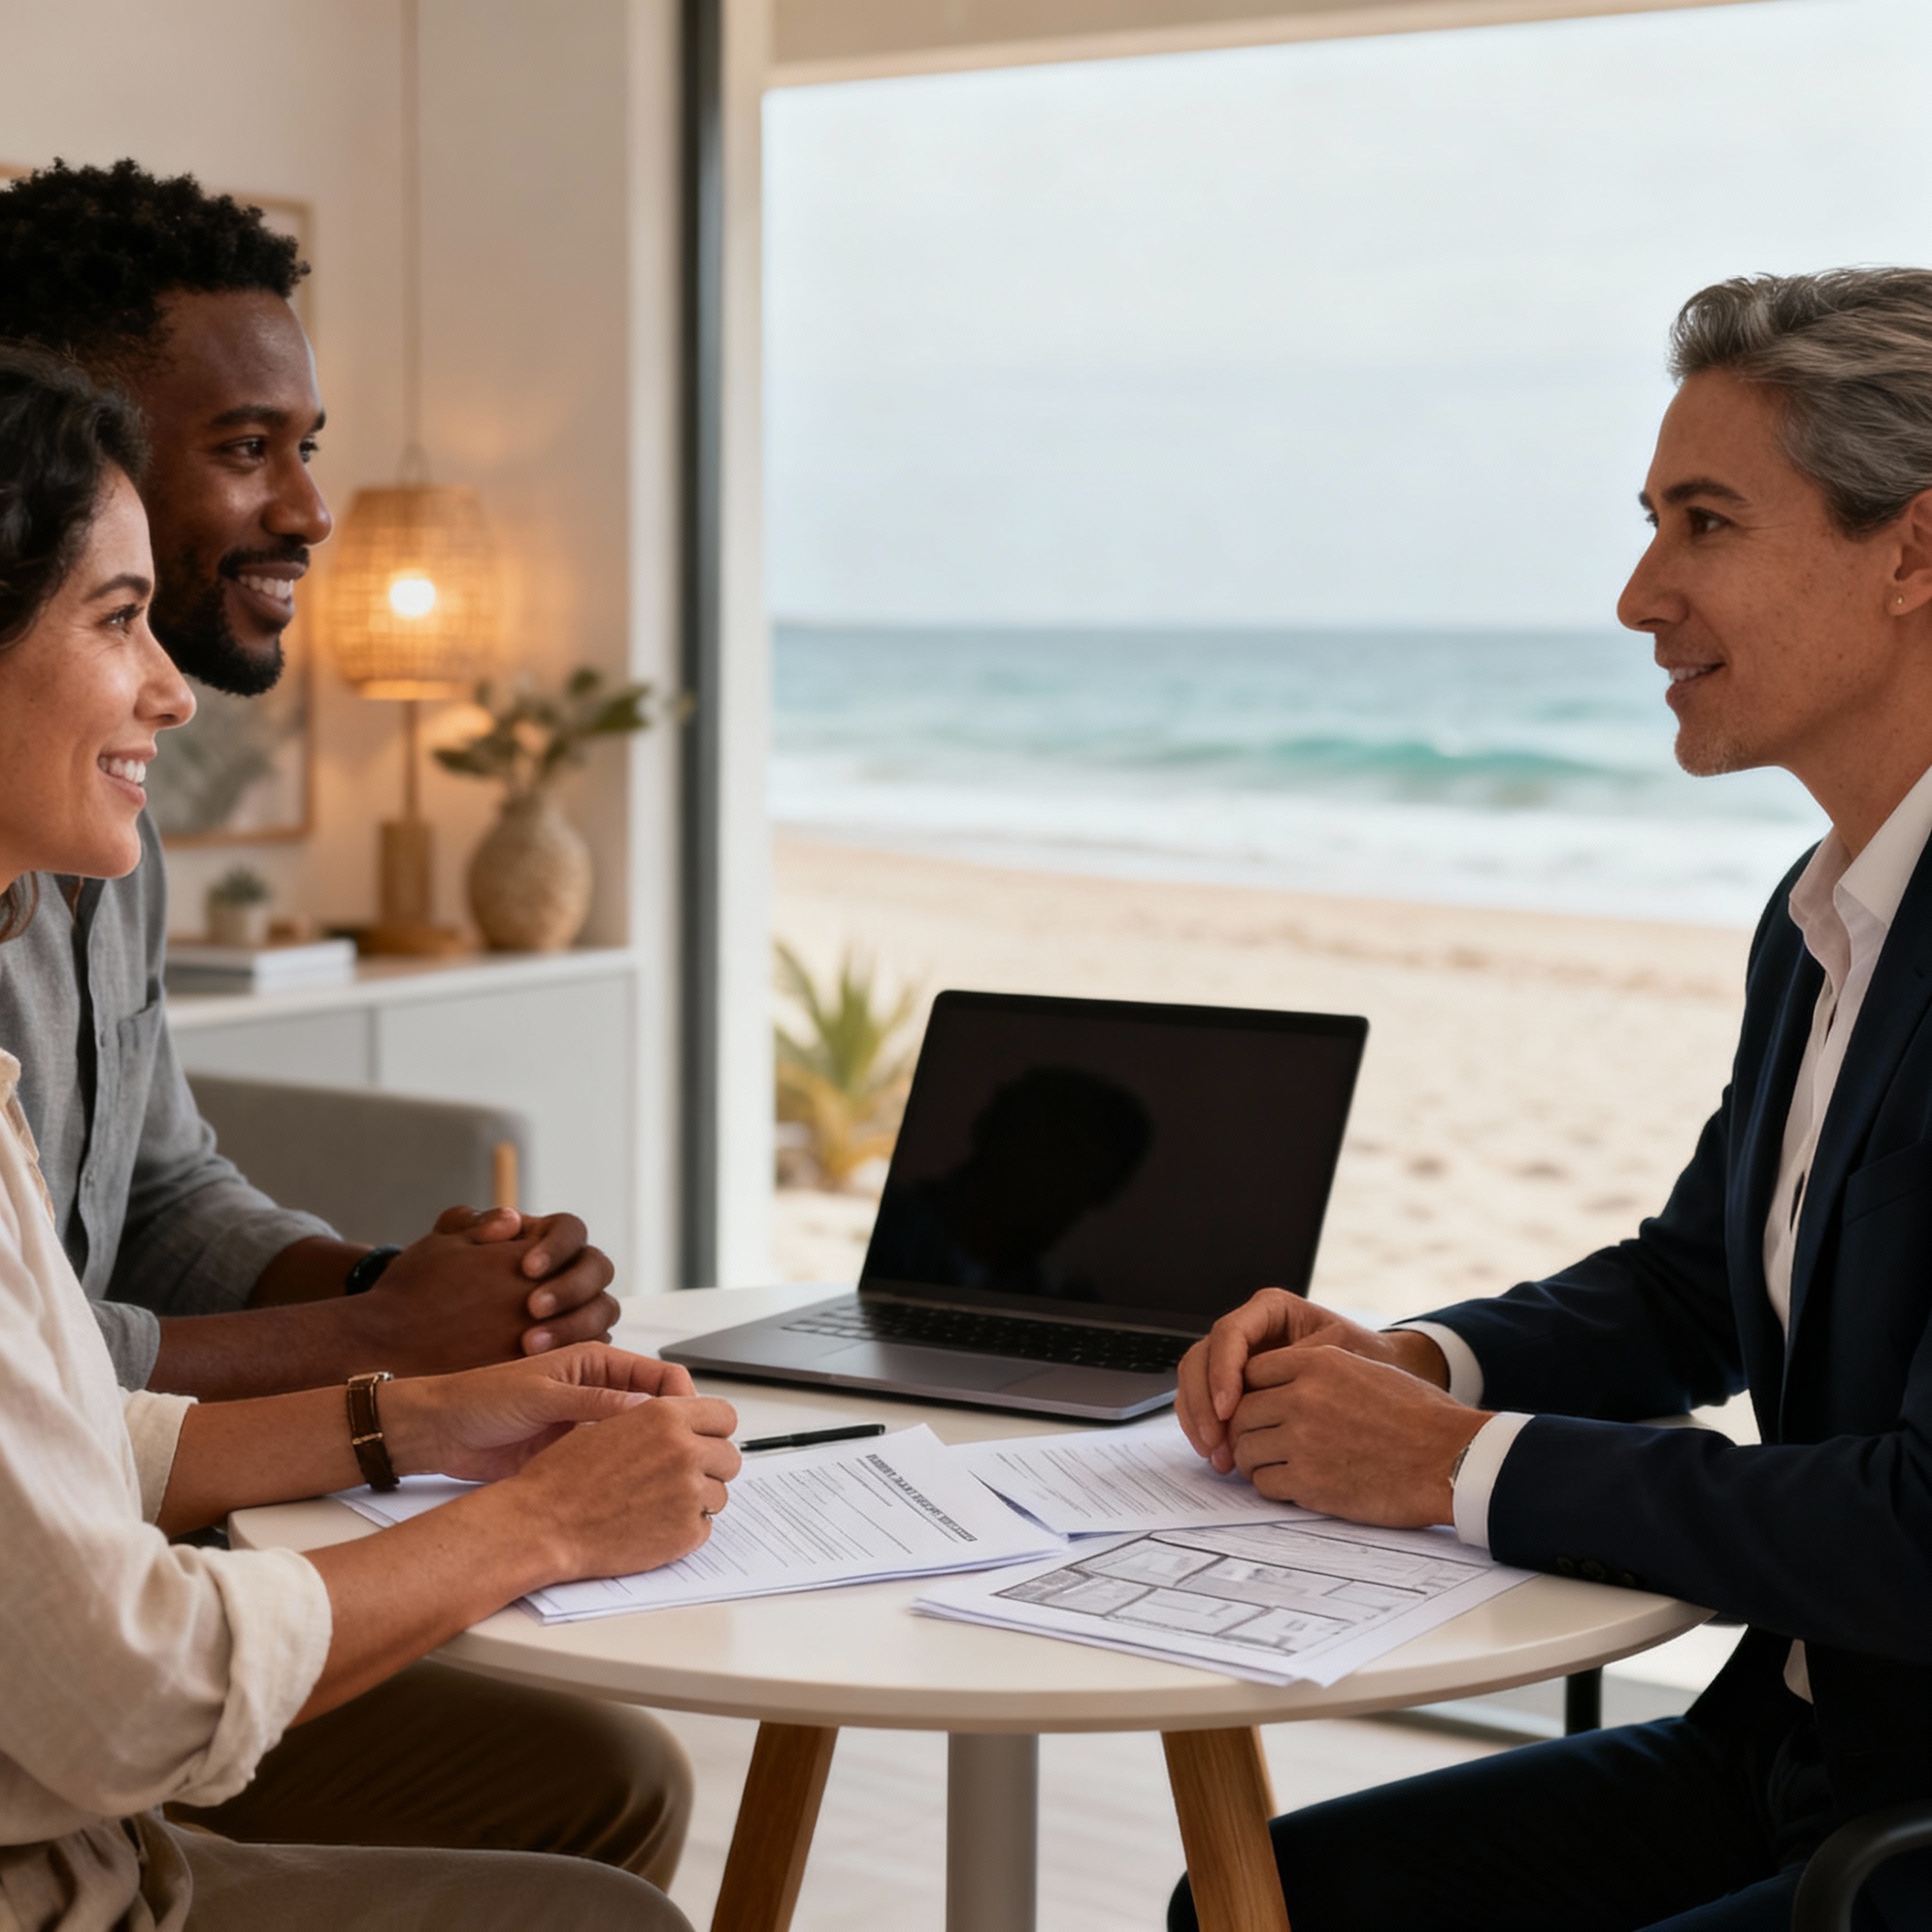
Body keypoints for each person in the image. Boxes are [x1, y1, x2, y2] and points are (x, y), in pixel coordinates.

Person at [1169, 268, 1932, 1932]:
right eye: (1652, 521)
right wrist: (1411, 1365)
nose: (1639, 594)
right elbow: (1685, 1291)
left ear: (1914, 554)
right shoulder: (1824, 920)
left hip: (1917, 1825)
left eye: (1706, 523)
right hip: (1796, 1745)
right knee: (1253, 1905)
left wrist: (1453, 1461)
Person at [0, 160, 696, 1890]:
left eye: (306, 442)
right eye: (247, 447)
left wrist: (410, 1337)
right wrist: (419, 1378)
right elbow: (105, 1632)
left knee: (605, 1783)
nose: (310, 507)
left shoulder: (102, 831)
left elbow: (155, 1215)